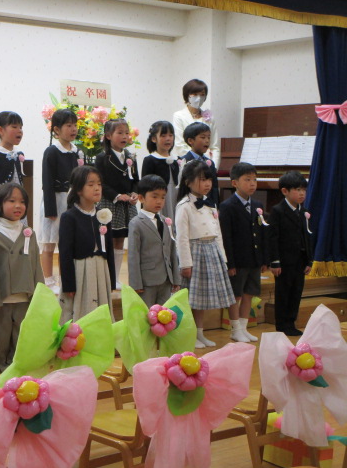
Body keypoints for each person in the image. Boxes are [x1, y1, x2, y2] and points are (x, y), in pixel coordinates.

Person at [175, 160, 240, 348]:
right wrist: (185, 263)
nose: (207, 184)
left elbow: (218, 233)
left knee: (201, 299)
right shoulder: (184, 206)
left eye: (209, 180)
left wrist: (223, 259)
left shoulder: (211, 205)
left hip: (211, 251)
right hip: (196, 253)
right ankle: (191, 335)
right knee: (193, 299)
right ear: (188, 182)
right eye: (202, 180)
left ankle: (200, 333)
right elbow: (181, 237)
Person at [0, 183, 44, 373]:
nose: (18, 205)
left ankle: (18, 373)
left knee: (21, 337)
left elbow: (36, 265)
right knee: (0, 339)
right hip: (2, 300)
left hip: (25, 297)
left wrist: (39, 295)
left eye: (22, 202)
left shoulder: (29, 233)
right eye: (11, 201)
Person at [219, 162, 269, 342]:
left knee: (249, 293)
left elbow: (261, 233)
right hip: (238, 260)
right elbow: (226, 237)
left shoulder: (257, 204)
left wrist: (264, 259)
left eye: (254, 179)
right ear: (235, 183)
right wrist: (230, 263)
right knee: (236, 294)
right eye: (247, 180)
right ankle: (235, 329)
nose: (252, 183)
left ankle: (244, 327)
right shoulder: (227, 206)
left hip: (254, 259)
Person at [59, 166, 115, 323]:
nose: (97, 188)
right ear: (78, 190)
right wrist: (68, 285)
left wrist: (111, 279)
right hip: (81, 271)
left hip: (101, 270)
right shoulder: (69, 217)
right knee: (82, 314)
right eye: (91, 184)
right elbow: (65, 253)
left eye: (99, 184)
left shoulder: (104, 215)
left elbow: (109, 249)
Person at [38, 108, 80, 294]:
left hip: (71, 202)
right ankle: (48, 280)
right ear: (56, 129)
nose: (73, 129)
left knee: (67, 243)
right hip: (54, 200)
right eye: (68, 125)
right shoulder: (52, 151)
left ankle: (65, 279)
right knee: (49, 243)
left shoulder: (77, 152)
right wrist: (50, 210)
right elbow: (47, 182)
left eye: (75, 125)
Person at [94, 119, 138, 290]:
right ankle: (107, 277)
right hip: (110, 203)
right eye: (119, 133)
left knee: (120, 240)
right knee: (108, 240)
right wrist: (118, 196)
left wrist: (134, 193)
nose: (124, 136)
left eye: (126, 133)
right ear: (108, 136)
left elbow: (136, 180)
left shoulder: (130, 157)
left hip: (127, 205)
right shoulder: (102, 158)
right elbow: (101, 183)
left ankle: (116, 278)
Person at [268, 171, 313, 336]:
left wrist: (309, 260)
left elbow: (307, 236)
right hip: (284, 260)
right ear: (285, 191)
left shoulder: (303, 211)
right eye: (297, 190)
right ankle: (282, 324)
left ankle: (291, 322)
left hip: (299, 260)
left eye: (304, 190)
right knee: (284, 292)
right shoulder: (278, 210)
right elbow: (273, 237)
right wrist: (275, 261)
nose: (302, 193)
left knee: (296, 291)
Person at [128, 174, 180, 308]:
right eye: (154, 196)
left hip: (166, 279)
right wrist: (135, 284)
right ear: (141, 198)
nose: (159, 201)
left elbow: (171, 250)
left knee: (163, 314)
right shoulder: (136, 223)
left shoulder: (165, 221)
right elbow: (133, 255)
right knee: (146, 314)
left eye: (163, 197)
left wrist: (176, 278)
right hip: (147, 281)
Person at [172, 78, 220, 167]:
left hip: (208, 165)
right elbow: (180, 145)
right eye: (195, 94)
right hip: (187, 165)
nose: (199, 98)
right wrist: (197, 165)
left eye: (202, 95)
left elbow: (214, 147)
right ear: (187, 95)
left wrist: (213, 167)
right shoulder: (179, 116)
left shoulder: (209, 118)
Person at [141, 120, 180, 221]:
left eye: (171, 135)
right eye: (163, 135)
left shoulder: (177, 160)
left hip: (175, 196)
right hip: (159, 198)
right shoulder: (150, 160)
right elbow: (145, 187)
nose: (168, 139)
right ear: (154, 139)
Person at [180, 122, 219, 204]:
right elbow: (182, 188)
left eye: (208, 137)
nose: (207, 141)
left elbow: (214, 188)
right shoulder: (184, 162)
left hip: (208, 205)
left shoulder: (210, 163)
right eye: (203, 137)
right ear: (190, 141)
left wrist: (215, 205)